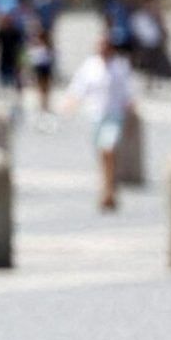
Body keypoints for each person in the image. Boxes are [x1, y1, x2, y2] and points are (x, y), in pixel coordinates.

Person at [64, 35, 134, 211]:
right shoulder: (90, 65)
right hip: (96, 115)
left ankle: (109, 190)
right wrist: (72, 103)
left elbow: (128, 90)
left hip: (114, 115)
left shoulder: (120, 66)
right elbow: (79, 87)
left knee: (108, 149)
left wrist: (130, 107)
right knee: (102, 153)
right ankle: (107, 186)